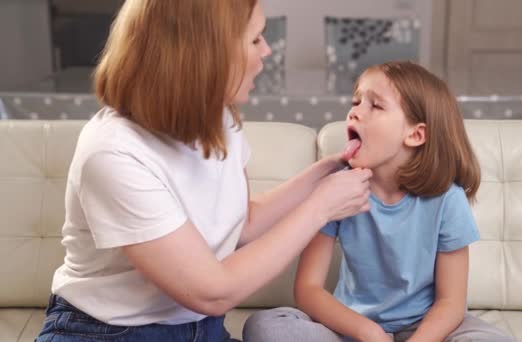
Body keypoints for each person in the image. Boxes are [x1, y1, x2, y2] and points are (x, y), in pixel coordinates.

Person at [35, 1, 372, 341]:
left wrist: (325, 172)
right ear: (206, 54)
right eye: (255, 40)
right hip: (107, 331)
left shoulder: (218, 118)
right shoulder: (112, 152)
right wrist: (321, 208)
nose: (267, 51)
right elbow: (213, 292)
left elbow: (243, 222)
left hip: (200, 329)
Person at [242, 61, 516, 342]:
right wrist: (369, 332)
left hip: (425, 328)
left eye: (376, 106)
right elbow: (308, 289)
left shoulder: (447, 199)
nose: (354, 112)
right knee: (266, 327)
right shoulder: (337, 191)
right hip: (353, 329)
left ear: (415, 134)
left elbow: (451, 303)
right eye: (356, 101)